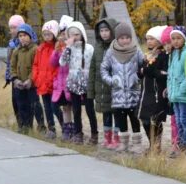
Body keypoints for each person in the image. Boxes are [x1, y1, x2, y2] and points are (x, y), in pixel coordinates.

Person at [100, 22, 143, 152]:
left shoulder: (136, 51)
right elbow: (103, 69)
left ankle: (137, 145)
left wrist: (138, 78)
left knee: (135, 120)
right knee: (121, 120)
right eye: (122, 38)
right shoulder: (111, 52)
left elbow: (144, 66)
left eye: (127, 38)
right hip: (118, 95)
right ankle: (124, 144)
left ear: (131, 38)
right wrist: (112, 80)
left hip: (133, 93)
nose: (125, 41)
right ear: (117, 38)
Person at [59, 21, 94, 143]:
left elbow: (93, 65)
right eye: (71, 34)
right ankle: (78, 133)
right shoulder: (69, 49)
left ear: (82, 34)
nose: (74, 37)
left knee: (90, 109)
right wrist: (67, 47)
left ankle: (94, 133)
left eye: (77, 34)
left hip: (86, 82)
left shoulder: (89, 48)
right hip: (73, 82)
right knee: (76, 110)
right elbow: (62, 62)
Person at [138, 26, 169, 152]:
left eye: (152, 39)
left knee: (156, 120)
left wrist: (147, 70)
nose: (149, 41)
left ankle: (156, 146)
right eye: (147, 39)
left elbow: (162, 74)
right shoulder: (147, 55)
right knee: (144, 119)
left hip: (157, 93)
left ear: (159, 40)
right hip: (145, 92)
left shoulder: (162, 56)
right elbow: (140, 73)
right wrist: (142, 70)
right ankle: (152, 144)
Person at [89, 16, 118, 148]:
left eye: (107, 30)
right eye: (102, 31)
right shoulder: (98, 47)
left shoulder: (117, 47)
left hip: (115, 88)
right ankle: (108, 139)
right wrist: (91, 90)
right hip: (101, 88)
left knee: (117, 114)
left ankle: (117, 139)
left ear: (112, 31)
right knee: (106, 114)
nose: (104, 33)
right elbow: (93, 69)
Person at [167, 26, 186, 154]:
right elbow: (170, 74)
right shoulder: (173, 53)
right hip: (175, 94)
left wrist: (183, 88)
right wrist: (169, 88)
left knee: (184, 120)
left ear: (184, 39)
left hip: (183, 94)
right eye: (173, 38)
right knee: (178, 121)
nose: (175, 41)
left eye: (178, 38)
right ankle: (181, 144)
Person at [33, 20, 60, 139]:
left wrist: (54, 80)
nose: (47, 36)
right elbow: (36, 65)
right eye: (44, 34)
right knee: (47, 107)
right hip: (42, 83)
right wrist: (36, 78)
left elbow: (58, 66)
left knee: (55, 106)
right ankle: (51, 128)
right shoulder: (40, 49)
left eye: (49, 34)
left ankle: (65, 126)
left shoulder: (57, 48)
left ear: (54, 34)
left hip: (53, 84)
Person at [10, 23, 38, 133]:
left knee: (31, 105)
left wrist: (30, 79)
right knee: (20, 104)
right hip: (19, 83)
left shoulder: (35, 50)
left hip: (31, 84)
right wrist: (15, 79)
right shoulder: (16, 51)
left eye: (25, 35)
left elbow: (35, 66)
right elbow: (12, 66)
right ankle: (22, 125)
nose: (22, 38)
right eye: (20, 36)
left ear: (30, 36)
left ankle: (29, 126)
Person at [50, 28, 71, 139]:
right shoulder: (59, 49)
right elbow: (53, 63)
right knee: (63, 107)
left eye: (65, 34)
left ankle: (73, 128)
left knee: (70, 107)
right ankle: (66, 128)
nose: (63, 37)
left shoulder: (71, 48)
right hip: (60, 83)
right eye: (61, 34)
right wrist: (56, 51)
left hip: (70, 81)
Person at [5, 14, 24, 122]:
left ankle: (26, 124)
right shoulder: (11, 43)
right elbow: (9, 62)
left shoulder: (25, 42)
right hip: (14, 75)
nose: (12, 30)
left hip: (23, 76)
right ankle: (19, 123)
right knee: (15, 101)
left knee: (23, 101)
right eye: (11, 28)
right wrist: (8, 75)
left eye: (14, 27)